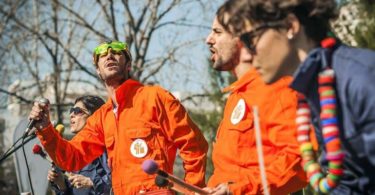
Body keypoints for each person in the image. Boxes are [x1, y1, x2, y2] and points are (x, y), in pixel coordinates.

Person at [219, 0, 375, 194]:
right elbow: (350, 181)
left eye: (251, 40)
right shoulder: (314, 89)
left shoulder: (363, 78)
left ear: (290, 26)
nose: (247, 55)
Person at [29, 41, 208, 194]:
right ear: (98, 71)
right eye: (102, 55)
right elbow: (71, 157)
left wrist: (193, 191)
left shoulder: (155, 97)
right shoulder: (101, 117)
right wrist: (45, 128)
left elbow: (194, 146)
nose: (109, 55)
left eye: (116, 52)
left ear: (128, 65)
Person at [202, 11, 309, 195]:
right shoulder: (236, 96)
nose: (208, 39)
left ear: (242, 38)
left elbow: (298, 161)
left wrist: (236, 191)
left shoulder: (276, 87)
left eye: (218, 32)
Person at [47, 95, 111, 195]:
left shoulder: (107, 147)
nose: (71, 114)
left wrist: (92, 183)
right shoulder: (72, 152)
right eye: (71, 110)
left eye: (77, 111)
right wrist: (61, 184)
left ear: (94, 116)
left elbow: (118, 185)